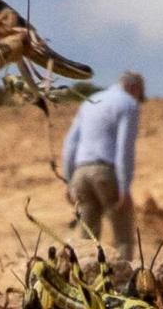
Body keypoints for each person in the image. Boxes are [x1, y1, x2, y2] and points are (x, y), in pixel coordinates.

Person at [62, 72, 146, 251]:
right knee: (123, 237)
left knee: (87, 240)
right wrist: (124, 187)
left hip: (80, 173)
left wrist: (69, 181)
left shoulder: (90, 101)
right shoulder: (128, 104)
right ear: (135, 88)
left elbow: (70, 143)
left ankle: (85, 276)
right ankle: (124, 278)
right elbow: (124, 149)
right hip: (105, 172)